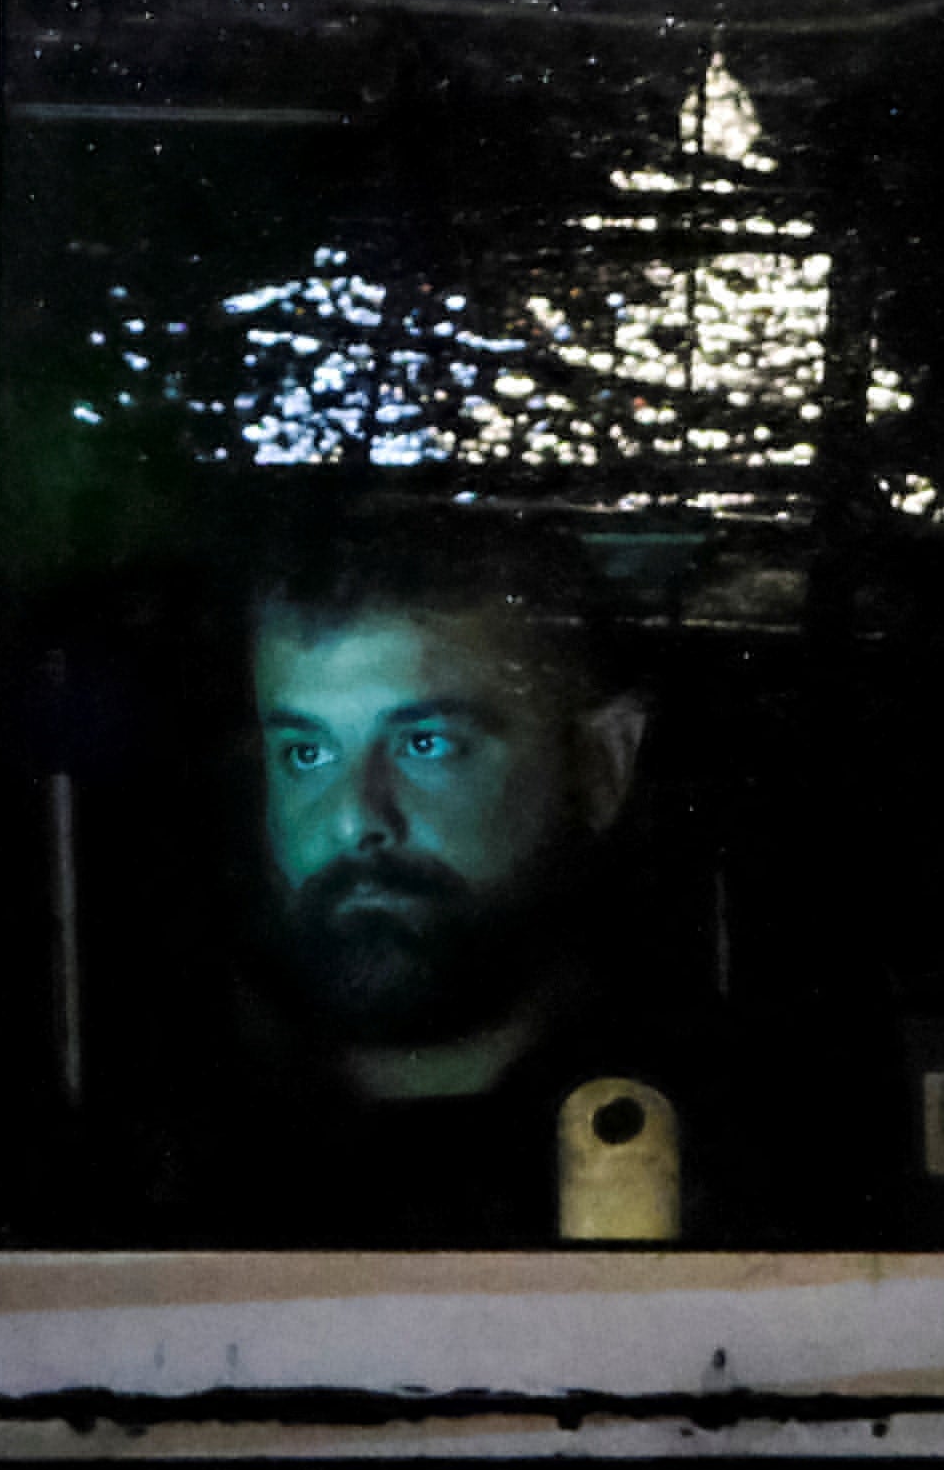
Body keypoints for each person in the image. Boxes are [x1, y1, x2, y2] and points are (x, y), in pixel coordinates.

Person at [197, 525, 704, 1243]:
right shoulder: (157, 1164)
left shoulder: (747, 1145)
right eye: (306, 752)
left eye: (426, 744)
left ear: (601, 764)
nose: (354, 821)